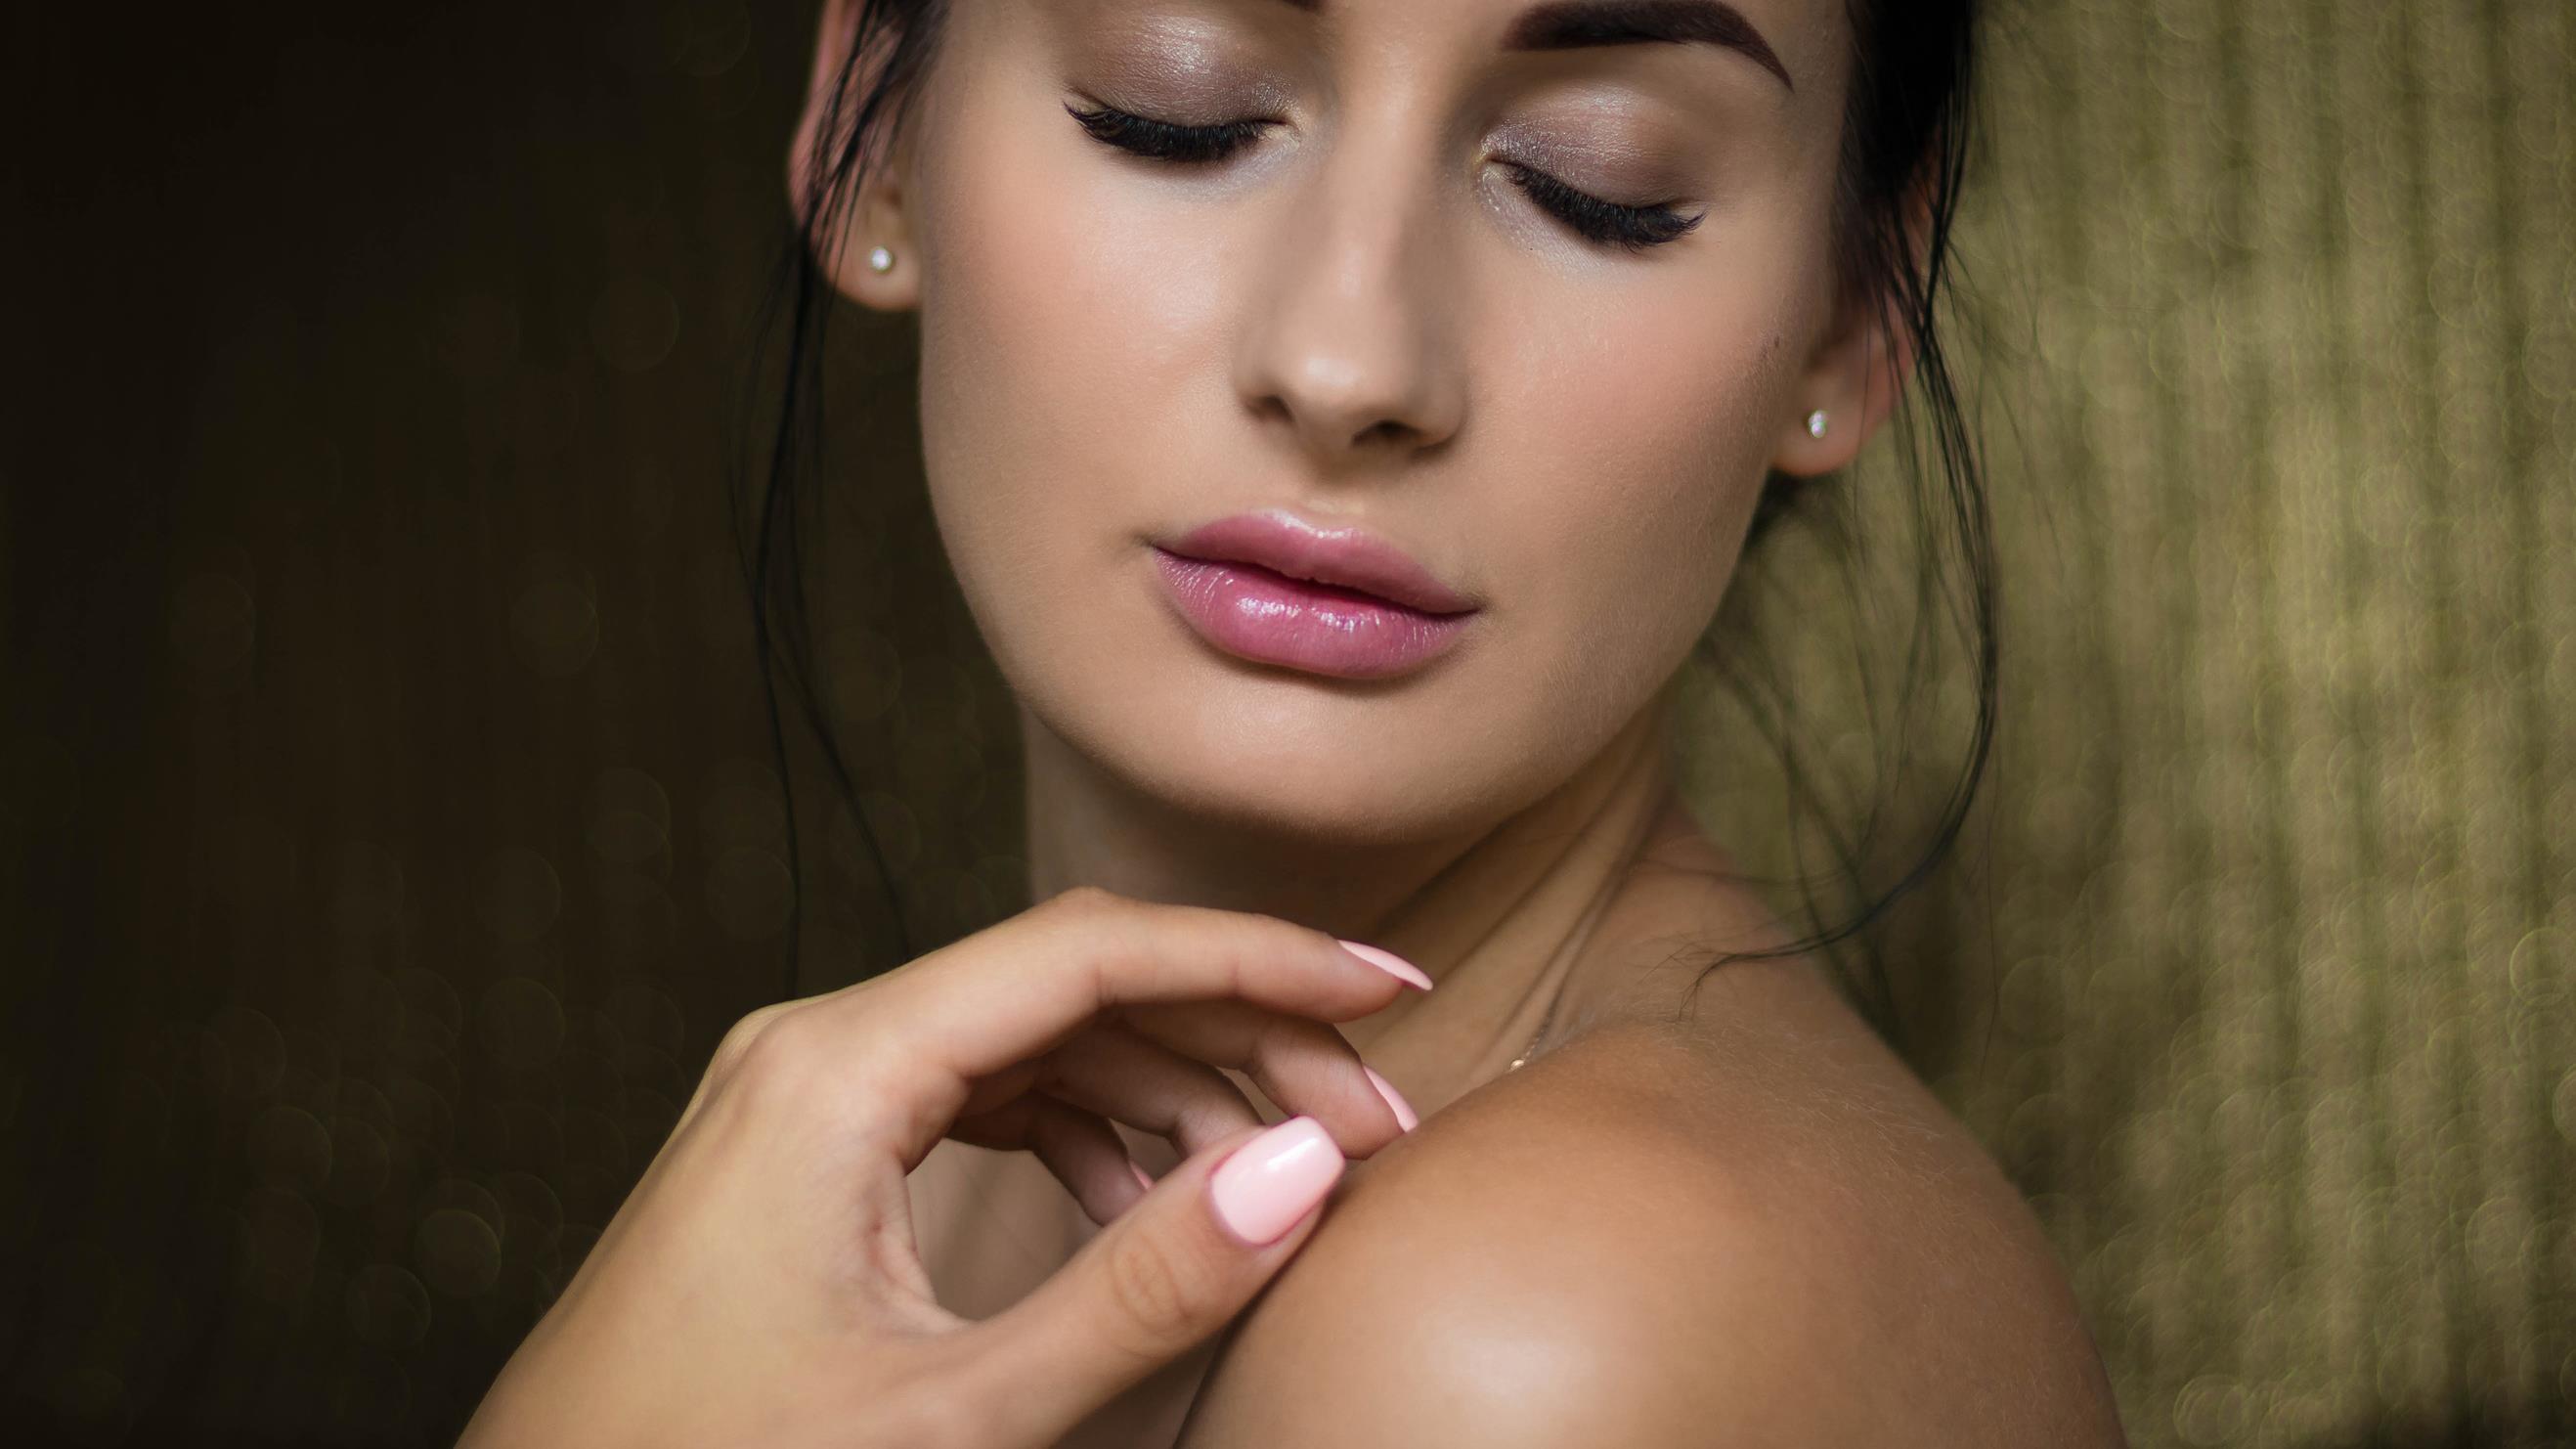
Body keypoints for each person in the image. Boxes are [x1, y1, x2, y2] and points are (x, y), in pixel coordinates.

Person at [472, 0, 2132, 1443]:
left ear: (1855, 314)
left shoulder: (1539, 1332)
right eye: (1176, 104)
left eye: (1599, 186)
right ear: (873, 121)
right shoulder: (906, 1187)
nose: (1348, 363)